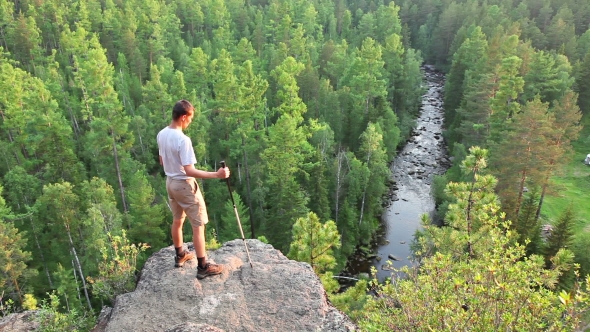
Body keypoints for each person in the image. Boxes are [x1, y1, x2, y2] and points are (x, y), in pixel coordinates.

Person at [157, 100, 230, 280]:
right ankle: (203, 266)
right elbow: (189, 170)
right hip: (184, 185)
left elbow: (161, 161)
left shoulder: (162, 134)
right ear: (183, 117)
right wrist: (217, 175)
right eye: (190, 119)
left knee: (177, 220)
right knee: (198, 225)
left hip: (170, 182)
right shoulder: (183, 140)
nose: (190, 122)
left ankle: (180, 254)